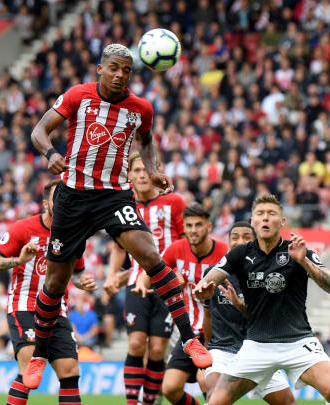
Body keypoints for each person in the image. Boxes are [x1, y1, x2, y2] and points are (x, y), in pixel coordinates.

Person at [25, 43, 211, 389]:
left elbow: (146, 140)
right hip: (72, 197)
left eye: (126, 70)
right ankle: (38, 353)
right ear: (100, 68)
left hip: (113, 195)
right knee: (54, 281)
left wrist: (153, 170)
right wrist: (50, 153)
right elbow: (38, 131)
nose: (120, 75)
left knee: (151, 255)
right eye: (113, 68)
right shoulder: (77, 96)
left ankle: (189, 338)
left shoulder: (140, 107)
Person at [194, 194, 330, 405]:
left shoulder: (298, 250)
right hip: (257, 345)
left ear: (282, 221)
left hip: (297, 340)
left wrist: (304, 262)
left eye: (271, 214)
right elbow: (216, 273)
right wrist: (204, 285)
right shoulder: (240, 253)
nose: (265, 218)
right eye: (260, 214)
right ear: (253, 221)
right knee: (216, 402)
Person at [0, 179, 96, 405]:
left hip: (57, 310)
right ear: (46, 204)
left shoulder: (73, 233)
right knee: (29, 365)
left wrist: (83, 282)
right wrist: (19, 260)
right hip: (25, 306)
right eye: (59, 198)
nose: (64, 202)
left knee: (70, 370)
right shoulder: (23, 228)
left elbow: (77, 273)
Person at [106, 152, 186, 405]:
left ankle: (149, 402)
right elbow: (119, 247)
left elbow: (186, 240)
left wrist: (183, 271)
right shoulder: (124, 204)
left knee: (158, 350)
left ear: (156, 173)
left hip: (167, 283)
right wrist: (111, 276)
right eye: (136, 171)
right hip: (135, 283)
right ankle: (132, 402)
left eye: (146, 170)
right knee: (137, 344)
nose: (141, 176)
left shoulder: (174, 202)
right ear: (129, 175)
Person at [134, 203, 228, 405]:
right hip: (189, 334)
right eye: (189, 225)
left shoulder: (223, 252)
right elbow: (151, 270)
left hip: (217, 332)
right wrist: (142, 283)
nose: (193, 230)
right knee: (170, 388)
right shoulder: (176, 249)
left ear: (209, 227)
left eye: (198, 225)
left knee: (206, 382)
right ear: (183, 228)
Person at [203, 222, 296, 405]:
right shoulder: (214, 274)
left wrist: (239, 305)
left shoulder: (267, 275)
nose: (240, 241)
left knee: (288, 403)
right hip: (223, 349)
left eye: (246, 237)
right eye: (235, 237)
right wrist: (208, 349)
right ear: (228, 242)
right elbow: (208, 315)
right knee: (214, 396)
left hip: (259, 350)